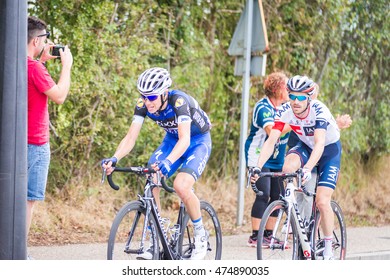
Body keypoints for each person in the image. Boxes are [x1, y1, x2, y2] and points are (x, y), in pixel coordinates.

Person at [101, 67, 212, 260]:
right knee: (152, 178)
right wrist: (115, 157)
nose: (147, 101)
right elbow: (130, 137)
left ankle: (200, 234)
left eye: (151, 97)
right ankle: (155, 239)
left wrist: (168, 162)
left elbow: (185, 139)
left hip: (197, 141)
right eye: (143, 96)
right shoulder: (143, 104)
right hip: (171, 141)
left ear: (164, 93)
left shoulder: (179, 102)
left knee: (181, 185)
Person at [252, 75, 342, 260]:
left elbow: (319, 144)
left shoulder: (319, 110)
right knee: (287, 166)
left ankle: (327, 248)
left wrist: (308, 168)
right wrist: (257, 167)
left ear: (309, 98)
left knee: (323, 201)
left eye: (301, 97)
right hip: (305, 146)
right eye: (292, 96)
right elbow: (271, 140)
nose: (295, 101)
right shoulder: (285, 110)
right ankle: (292, 208)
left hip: (328, 150)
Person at [27, 16, 73, 257]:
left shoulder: (21, 64)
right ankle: (18, 253)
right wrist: (67, 66)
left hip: (16, 142)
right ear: (36, 40)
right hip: (34, 144)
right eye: (45, 40)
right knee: (27, 201)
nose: (48, 44)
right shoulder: (34, 68)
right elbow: (60, 95)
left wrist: (41, 60)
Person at [244, 72, 290, 247]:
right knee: (263, 194)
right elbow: (272, 131)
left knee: (278, 196)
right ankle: (256, 236)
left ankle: (269, 235)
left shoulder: (286, 107)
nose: (289, 90)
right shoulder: (263, 107)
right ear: (278, 89)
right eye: (286, 86)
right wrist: (293, 123)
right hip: (258, 157)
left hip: (277, 159)